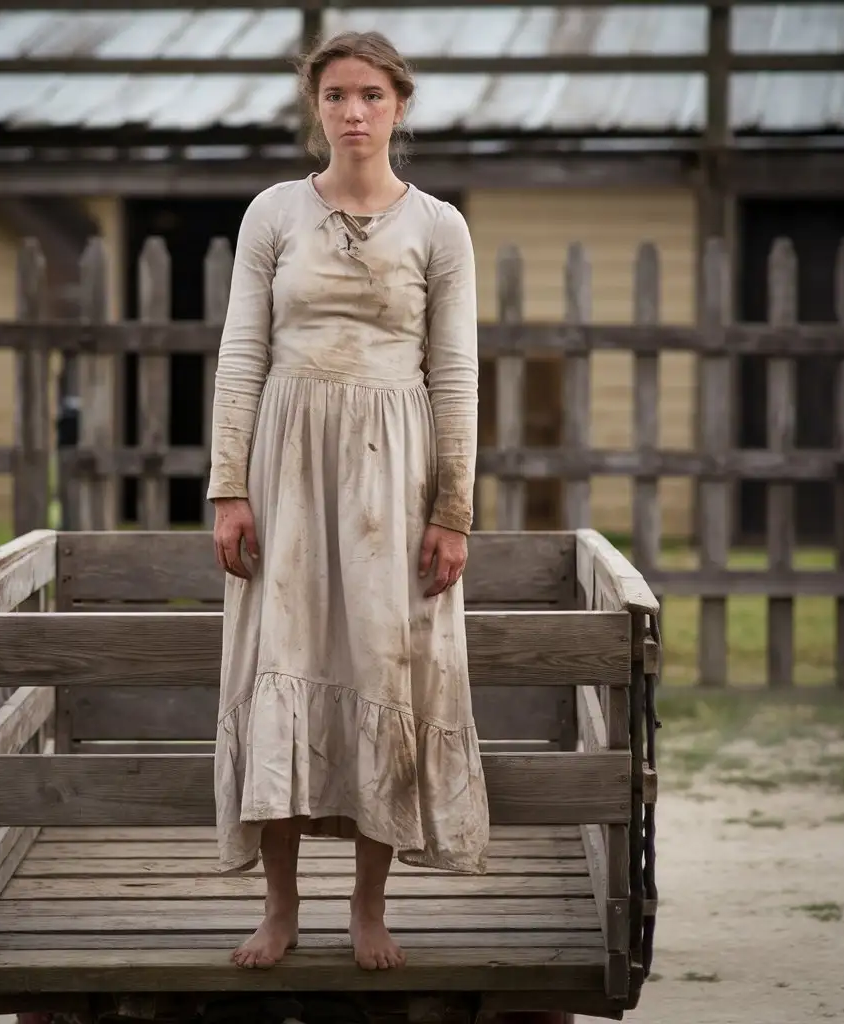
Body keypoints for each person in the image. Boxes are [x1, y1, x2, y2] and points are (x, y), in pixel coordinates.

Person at [206, 29, 491, 973]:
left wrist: (452, 510)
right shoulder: (273, 213)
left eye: (371, 95)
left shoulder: (439, 227)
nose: (354, 112)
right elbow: (242, 353)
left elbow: (455, 374)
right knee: (280, 666)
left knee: (385, 669)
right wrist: (229, 488)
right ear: (315, 107)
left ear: (400, 105)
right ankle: (281, 907)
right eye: (336, 96)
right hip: (286, 467)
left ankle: (370, 905)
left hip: (392, 473)